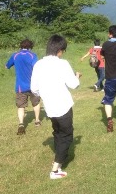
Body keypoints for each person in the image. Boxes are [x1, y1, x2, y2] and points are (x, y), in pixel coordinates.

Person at [31, 34, 81, 180]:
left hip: (50, 108)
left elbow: (34, 88)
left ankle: (57, 158)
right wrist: (77, 76)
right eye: (63, 50)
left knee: (58, 132)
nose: (62, 53)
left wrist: (46, 93)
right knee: (66, 135)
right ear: (60, 50)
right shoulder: (62, 63)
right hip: (63, 106)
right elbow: (74, 84)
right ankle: (55, 169)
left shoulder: (38, 64)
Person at [5, 38, 40, 135]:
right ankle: (37, 121)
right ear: (30, 47)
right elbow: (37, 68)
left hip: (20, 86)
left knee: (21, 106)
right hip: (33, 85)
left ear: (21, 46)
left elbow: (6, 66)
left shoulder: (15, 55)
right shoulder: (33, 56)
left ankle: (21, 124)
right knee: (36, 102)